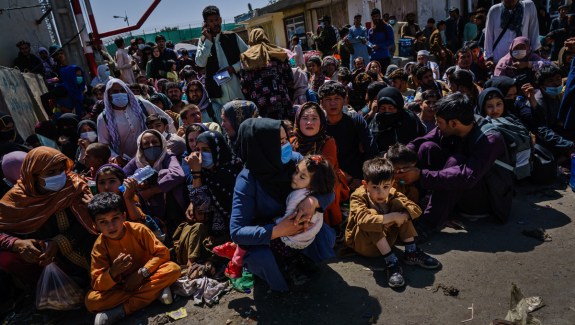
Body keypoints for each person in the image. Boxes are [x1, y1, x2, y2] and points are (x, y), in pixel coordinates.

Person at [229, 118, 336, 292]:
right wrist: (278, 230)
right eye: (279, 142)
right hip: (268, 238)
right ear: (262, 147)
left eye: (286, 139)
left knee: (323, 232)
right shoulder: (247, 180)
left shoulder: (295, 162)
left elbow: (328, 188)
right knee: (260, 258)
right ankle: (279, 276)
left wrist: (313, 201)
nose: (287, 146)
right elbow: (237, 232)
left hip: (298, 231)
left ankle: (301, 260)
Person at [400, 93, 513, 240]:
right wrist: (400, 156)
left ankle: (428, 222)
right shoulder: (450, 124)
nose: (436, 126)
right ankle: (423, 203)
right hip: (459, 189)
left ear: (454, 123)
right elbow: (422, 141)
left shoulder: (490, 139)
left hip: (484, 200)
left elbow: (467, 176)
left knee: (456, 162)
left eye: (439, 122)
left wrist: (420, 175)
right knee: (427, 147)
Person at [0, 147, 97, 288]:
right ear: (33, 175)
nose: (59, 176)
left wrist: (59, 242)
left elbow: (91, 221)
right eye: (51, 173)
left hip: (79, 245)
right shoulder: (15, 199)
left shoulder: (75, 186)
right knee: (5, 257)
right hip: (40, 257)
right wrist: (17, 244)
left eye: (61, 170)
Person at [85, 192, 180, 325]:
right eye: (103, 222)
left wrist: (141, 273)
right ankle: (154, 293)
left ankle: (123, 310)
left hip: (148, 276)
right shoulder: (99, 246)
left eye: (115, 219)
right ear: (95, 226)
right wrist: (113, 272)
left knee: (173, 269)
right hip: (123, 287)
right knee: (91, 301)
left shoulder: (138, 230)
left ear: (124, 216)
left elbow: (162, 254)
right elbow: (97, 283)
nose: (111, 226)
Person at [345, 157, 440, 288]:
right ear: (365, 184)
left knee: (401, 206)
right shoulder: (357, 196)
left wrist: (402, 215)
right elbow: (363, 220)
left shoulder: (392, 192)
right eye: (375, 187)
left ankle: (411, 252)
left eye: (385, 186)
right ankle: (391, 262)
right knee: (371, 217)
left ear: (392, 183)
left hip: (388, 240)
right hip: (365, 246)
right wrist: (392, 217)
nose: (381, 192)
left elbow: (415, 209)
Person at [291, 103, 350, 228]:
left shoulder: (328, 142)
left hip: (324, 180)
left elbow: (325, 173)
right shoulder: (292, 142)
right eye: (305, 118)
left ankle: (332, 224)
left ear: (321, 122)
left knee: (330, 190)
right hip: (298, 179)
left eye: (314, 118)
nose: (309, 123)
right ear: (297, 120)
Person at [97, 79, 175, 165]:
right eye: (115, 91)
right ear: (108, 95)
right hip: (127, 162)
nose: (119, 93)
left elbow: (167, 119)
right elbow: (104, 144)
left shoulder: (142, 105)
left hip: (154, 155)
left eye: (122, 90)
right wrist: (114, 156)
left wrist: (169, 141)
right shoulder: (103, 118)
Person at [123, 129, 185, 232]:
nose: (151, 146)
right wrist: (137, 185)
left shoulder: (167, 155)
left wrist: (152, 190)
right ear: (141, 147)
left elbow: (178, 174)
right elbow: (122, 177)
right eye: (146, 144)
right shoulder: (137, 160)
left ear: (161, 143)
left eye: (155, 142)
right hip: (145, 206)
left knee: (163, 174)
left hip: (168, 204)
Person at [321, 81, 378, 189]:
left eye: (337, 99)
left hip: (357, 178)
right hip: (328, 177)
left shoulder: (355, 121)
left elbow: (371, 150)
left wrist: (365, 179)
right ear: (322, 103)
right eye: (328, 99)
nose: (333, 103)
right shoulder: (319, 125)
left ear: (344, 101)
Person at [195, 5, 248, 106]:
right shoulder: (203, 41)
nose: (215, 23)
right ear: (205, 24)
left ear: (220, 20)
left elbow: (248, 58)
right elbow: (200, 63)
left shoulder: (232, 37)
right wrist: (208, 41)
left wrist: (233, 68)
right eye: (211, 21)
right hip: (217, 96)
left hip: (238, 89)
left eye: (217, 20)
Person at [240, 28, 294, 120]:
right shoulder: (278, 52)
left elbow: (244, 86)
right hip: (281, 100)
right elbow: (289, 79)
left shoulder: (247, 57)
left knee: (266, 131)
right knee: (285, 129)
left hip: (260, 104)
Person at [369, 87, 426, 154]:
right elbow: (370, 145)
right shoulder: (376, 121)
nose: (387, 111)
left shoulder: (410, 119)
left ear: (398, 107)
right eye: (383, 108)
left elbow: (420, 139)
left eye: (390, 108)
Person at [484, 0, 540, 66]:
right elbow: (488, 36)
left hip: (522, 61)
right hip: (499, 61)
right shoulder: (494, 10)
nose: (510, 2)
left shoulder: (529, 6)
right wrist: (489, 58)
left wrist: (535, 56)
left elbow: (534, 33)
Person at [369, 8, 395, 72]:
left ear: (380, 16)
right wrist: (367, 44)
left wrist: (379, 46)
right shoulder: (371, 30)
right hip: (373, 58)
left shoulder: (387, 27)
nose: (375, 18)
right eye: (373, 17)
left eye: (377, 16)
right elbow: (370, 42)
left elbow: (391, 41)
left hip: (384, 57)